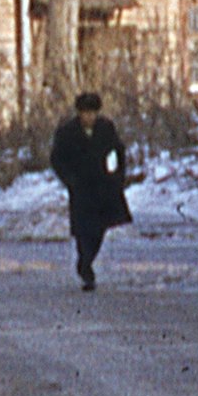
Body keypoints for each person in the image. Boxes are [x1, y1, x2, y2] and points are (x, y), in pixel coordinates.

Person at [48, 89, 133, 289]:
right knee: (83, 229)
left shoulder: (106, 128)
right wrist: (69, 179)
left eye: (93, 112)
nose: (89, 117)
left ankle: (87, 260)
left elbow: (118, 151)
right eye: (85, 113)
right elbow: (56, 159)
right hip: (80, 187)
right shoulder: (67, 132)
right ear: (79, 113)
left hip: (103, 185)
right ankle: (85, 265)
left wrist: (118, 175)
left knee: (100, 228)